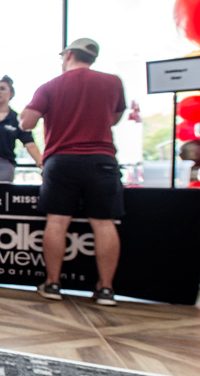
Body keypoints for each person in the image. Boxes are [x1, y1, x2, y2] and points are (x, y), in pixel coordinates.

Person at [19, 37, 126, 306]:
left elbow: (26, 122)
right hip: (101, 159)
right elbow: (114, 118)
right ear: (93, 58)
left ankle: (53, 283)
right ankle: (105, 289)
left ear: (68, 55)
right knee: (104, 223)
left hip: (61, 159)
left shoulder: (51, 86)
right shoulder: (113, 82)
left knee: (57, 221)